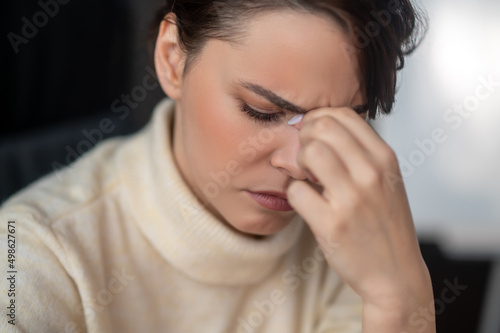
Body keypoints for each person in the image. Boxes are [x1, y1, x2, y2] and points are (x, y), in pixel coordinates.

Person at [0, 0, 434, 332]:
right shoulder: (30, 251)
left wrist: (400, 297)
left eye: (341, 122)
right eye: (261, 111)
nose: (299, 163)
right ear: (172, 58)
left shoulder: (355, 242)